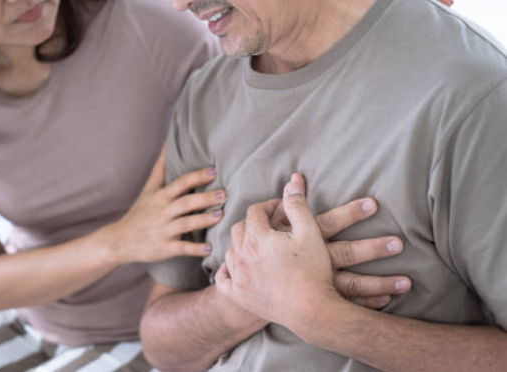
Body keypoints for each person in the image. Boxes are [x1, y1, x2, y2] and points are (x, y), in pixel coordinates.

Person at [0, 0, 406, 371]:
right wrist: (121, 239)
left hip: (169, 328)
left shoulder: (145, 26)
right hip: (35, 315)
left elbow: (272, 131)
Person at [141, 0, 507, 371]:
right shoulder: (204, 95)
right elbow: (162, 348)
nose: (178, 4)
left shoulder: (472, 95)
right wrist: (246, 297)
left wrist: (320, 318)